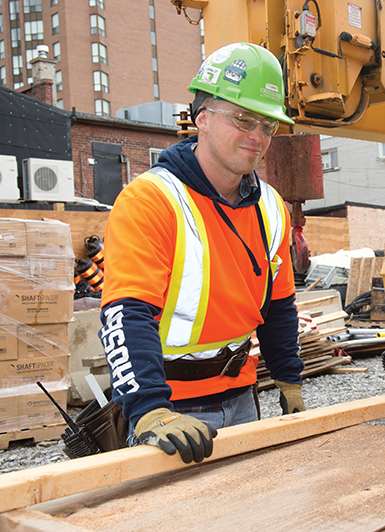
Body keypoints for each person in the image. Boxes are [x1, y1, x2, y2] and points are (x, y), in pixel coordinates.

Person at [98, 43, 306, 465]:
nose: (257, 137)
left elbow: (279, 305)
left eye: (267, 125)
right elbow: (125, 315)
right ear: (203, 119)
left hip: (242, 398)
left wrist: (289, 380)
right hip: (171, 414)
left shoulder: (270, 206)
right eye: (244, 119)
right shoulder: (151, 200)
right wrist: (149, 411)